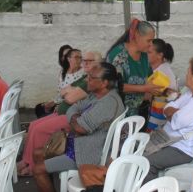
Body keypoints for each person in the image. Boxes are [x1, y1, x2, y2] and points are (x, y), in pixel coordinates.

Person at [33, 62, 125, 192]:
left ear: (104, 83)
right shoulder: (97, 95)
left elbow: (80, 128)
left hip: (86, 153)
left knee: (37, 170)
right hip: (77, 144)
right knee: (37, 153)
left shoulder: (108, 102)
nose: (87, 79)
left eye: (92, 78)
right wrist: (76, 118)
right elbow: (73, 107)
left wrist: (76, 120)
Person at [17, 51, 102, 176]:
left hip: (72, 117)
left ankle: (32, 166)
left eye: (89, 61)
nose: (85, 63)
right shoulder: (85, 77)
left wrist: (70, 92)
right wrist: (70, 91)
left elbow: (69, 98)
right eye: (84, 60)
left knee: (39, 130)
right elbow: (63, 91)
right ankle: (26, 160)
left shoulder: (92, 80)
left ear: (98, 63)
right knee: (33, 125)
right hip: (63, 112)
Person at [143, 55, 193, 183]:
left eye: (188, 71)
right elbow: (168, 107)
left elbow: (177, 120)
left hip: (182, 149)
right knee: (136, 148)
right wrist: (175, 112)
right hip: (169, 140)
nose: (186, 74)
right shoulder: (190, 93)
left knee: (147, 163)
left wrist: (175, 112)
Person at [106, 18, 161, 116]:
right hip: (118, 113)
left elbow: (149, 79)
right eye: (149, 40)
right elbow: (114, 85)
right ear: (136, 35)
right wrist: (144, 88)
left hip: (139, 112)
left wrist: (161, 89)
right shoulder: (119, 56)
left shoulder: (144, 56)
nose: (151, 45)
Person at [146, 38, 177, 132]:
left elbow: (148, 96)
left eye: (149, 52)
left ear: (160, 55)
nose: (145, 54)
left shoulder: (162, 73)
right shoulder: (156, 68)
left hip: (158, 118)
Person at [35, 44, 72, 118]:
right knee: (39, 107)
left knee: (41, 110)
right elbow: (60, 92)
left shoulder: (74, 72)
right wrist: (51, 102)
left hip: (67, 103)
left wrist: (53, 103)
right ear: (61, 58)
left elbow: (69, 95)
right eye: (64, 56)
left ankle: (50, 123)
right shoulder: (63, 71)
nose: (67, 58)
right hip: (60, 100)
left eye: (69, 55)